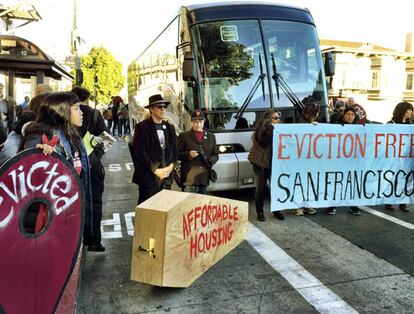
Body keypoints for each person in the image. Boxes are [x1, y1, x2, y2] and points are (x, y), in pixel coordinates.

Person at [22, 92, 93, 238]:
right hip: (48, 222)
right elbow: (28, 175)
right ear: (63, 110)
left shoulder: (72, 136)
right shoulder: (41, 134)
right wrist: (43, 159)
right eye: (77, 108)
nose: (82, 113)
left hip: (69, 214)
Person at [72, 86, 108, 251]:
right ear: (86, 98)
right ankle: (94, 241)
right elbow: (106, 139)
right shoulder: (94, 114)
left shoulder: (66, 114)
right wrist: (93, 158)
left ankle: (76, 239)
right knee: (95, 202)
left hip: (71, 165)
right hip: (92, 167)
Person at [132, 94, 177, 204]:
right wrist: (156, 170)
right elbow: (140, 152)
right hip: (149, 178)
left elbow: (175, 150)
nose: (163, 109)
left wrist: (170, 167)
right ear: (151, 109)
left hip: (166, 177)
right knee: (148, 210)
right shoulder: (141, 127)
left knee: (165, 208)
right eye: (159, 107)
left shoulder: (170, 128)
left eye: (164, 107)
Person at [248, 109, 285, 221]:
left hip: (274, 163)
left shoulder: (279, 129)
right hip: (261, 163)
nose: (278, 120)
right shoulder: (262, 130)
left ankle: (276, 210)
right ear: (268, 119)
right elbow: (263, 141)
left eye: (279, 118)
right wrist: (271, 128)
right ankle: (260, 212)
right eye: (275, 118)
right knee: (260, 189)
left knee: (276, 188)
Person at [326, 106, 361, 215]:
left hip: (352, 160)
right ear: (344, 115)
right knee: (337, 181)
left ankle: (353, 205)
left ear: (354, 116)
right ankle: (332, 205)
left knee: (352, 182)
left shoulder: (359, 128)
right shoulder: (336, 126)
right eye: (348, 114)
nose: (350, 116)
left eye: (352, 114)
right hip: (339, 159)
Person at [178, 110, 219, 194]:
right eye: (195, 121)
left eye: (200, 121)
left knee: (201, 204)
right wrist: (188, 155)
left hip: (203, 178)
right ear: (191, 122)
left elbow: (215, 154)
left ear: (204, 121)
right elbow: (177, 154)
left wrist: (211, 161)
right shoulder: (184, 136)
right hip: (189, 178)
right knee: (188, 205)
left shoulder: (211, 136)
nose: (198, 124)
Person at [384, 101, 413, 212]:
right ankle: (389, 200)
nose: (411, 112)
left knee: (406, 178)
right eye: (410, 109)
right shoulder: (391, 124)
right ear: (404, 111)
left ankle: (403, 202)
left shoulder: (411, 125)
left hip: (407, 157)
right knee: (392, 178)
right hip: (393, 156)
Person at [292, 102, 319, 216]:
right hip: (300, 158)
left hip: (309, 157)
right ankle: (297, 206)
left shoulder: (311, 123)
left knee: (308, 181)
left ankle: (307, 204)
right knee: (300, 181)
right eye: (316, 112)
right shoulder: (300, 122)